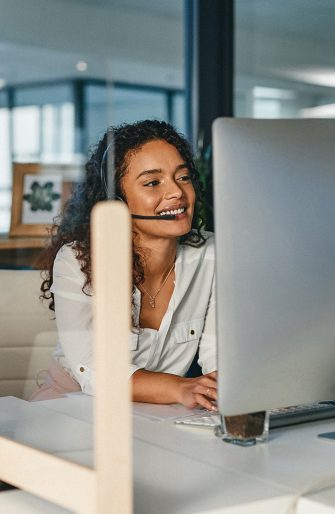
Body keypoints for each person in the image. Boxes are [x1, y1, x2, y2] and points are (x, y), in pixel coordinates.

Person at [31, 119, 217, 410]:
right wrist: (182, 388)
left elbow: (218, 356)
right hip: (73, 406)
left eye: (182, 177)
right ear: (117, 200)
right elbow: (93, 369)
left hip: (158, 415)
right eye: (153, 183)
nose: (177, 193)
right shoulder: (78, 260)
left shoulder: (210, 254)